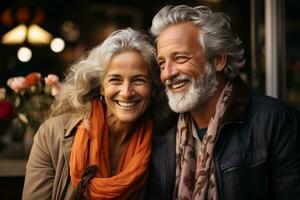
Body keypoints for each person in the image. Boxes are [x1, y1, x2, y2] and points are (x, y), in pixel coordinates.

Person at [146, 5, 300, 200]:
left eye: (180, 58)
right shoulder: (163, 138)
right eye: (162, 63)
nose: (167, 73)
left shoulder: (277, 122)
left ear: (218, 60)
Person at [22, 28, 164, 199]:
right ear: (101, 87)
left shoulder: (165, 148)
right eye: (115, 80)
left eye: (139, 80)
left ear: (153, 89)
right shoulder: (52, 135)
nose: (126, 92)